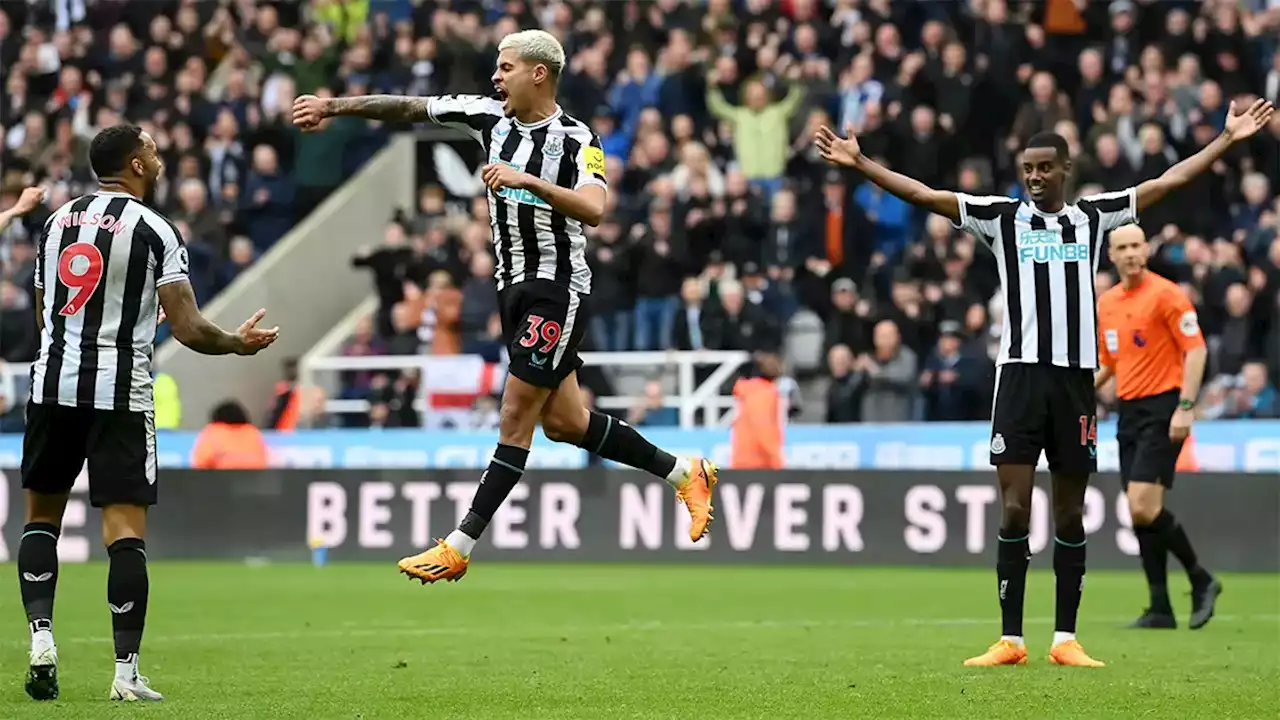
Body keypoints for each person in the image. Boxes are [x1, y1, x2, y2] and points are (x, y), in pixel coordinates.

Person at [814, 97, 1274, 668]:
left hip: (1076, 381)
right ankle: (1011, 638)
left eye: (1043, 168)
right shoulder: (1001, 217)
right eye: (1027, 168)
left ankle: (1065, 639)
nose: (1033, 176)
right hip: (1019, 379)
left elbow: (1167, 181)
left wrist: (1227, 140)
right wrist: (862, 164)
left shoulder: (1094, 216)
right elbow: (925, 195)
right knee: (1013, 509)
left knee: (1069, 514)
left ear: (1065, 170)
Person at [291, 29, 718, 585]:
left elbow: (594, 208)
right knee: (565, 423)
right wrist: (333, 106)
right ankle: (686, 472)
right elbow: (408, 107)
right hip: (511, 290)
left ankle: (459, 544)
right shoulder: (485, 116)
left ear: (538, 73)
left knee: (515, 417)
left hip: (556, 289)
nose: (495, 77)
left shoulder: (576, 139)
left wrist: (527, 180)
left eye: (507, 67)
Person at [17, 123, 279, 702]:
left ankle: (40, 637)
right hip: (120, 393)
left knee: (41, 519)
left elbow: (46, 316)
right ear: (134, 165)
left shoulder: (57, 222)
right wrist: (236, 342)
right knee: (125, 533)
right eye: (153, 152)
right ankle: (124, 673)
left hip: (53, 384)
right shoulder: (156, 229)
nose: (159, 160)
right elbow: (187, 328)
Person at [1095, 225, 1220, 630]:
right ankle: (1160, 607)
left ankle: (1202, 578)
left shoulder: (1167, 294)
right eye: (1122, 248)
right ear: (1111, 256)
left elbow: (1196, 349)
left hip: (1164, 407)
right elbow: (1108, 363)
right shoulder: (1107, 304)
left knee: (1141, 505)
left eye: (1136, 245)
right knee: (1140, 514)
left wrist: (1186, 407)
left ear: (1146, 249)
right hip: (1128, 412)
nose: (1131, 253)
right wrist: (1074, 394)